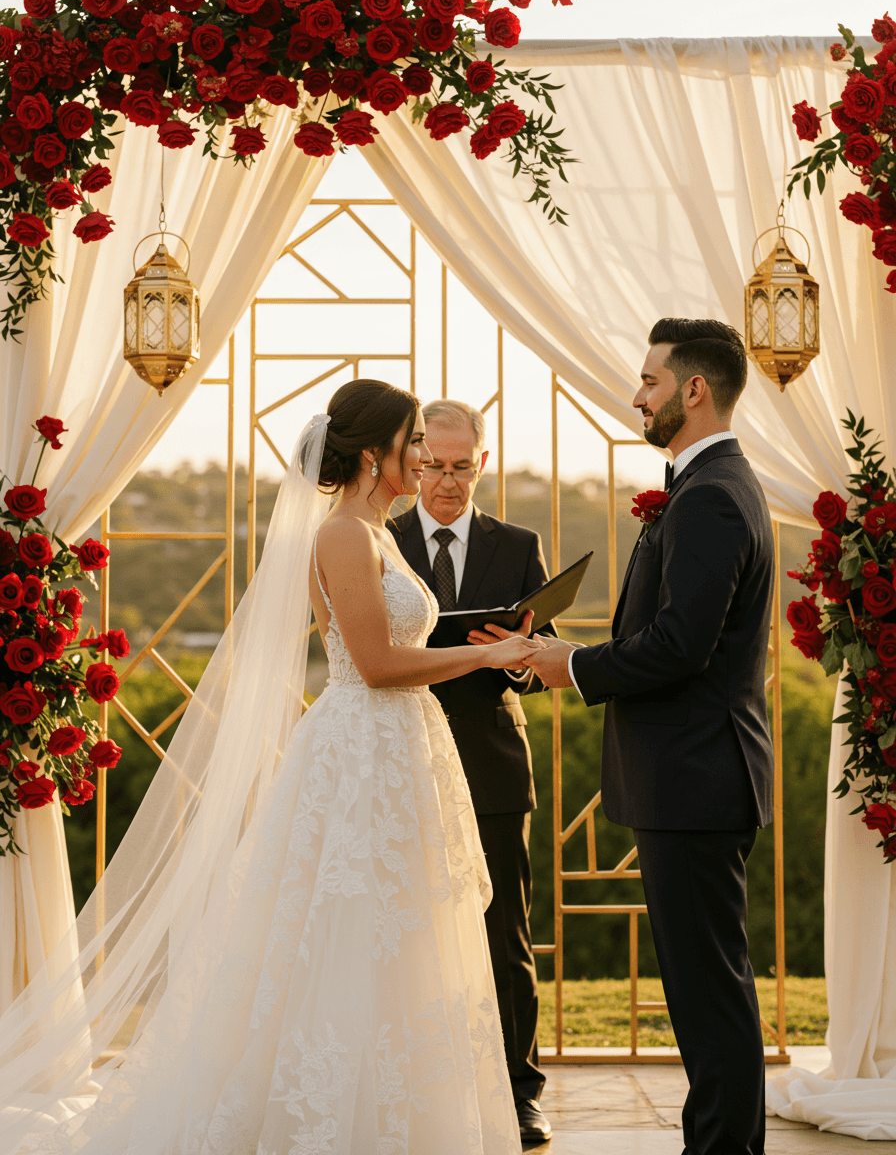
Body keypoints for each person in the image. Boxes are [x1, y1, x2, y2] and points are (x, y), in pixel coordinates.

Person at [0, 380, 539, 1155]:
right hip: (361, 754)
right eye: (415, 440)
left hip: (399, 748)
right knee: (345, 928)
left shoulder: (378, 532)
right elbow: (376, 663)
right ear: (373, 452)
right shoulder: (343, 535)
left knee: (400, 934)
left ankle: (394, 1113)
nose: (425, 457)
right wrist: (487, 654)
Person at [498, 319, 775, 1155]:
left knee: (708, 994)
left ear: (694, 389)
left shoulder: (712, 495)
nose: (637, 395)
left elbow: (682, 646)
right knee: (705, 990)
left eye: (650, 381)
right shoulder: (709, 485)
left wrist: (573, 665)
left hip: (696, 778)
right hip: (695, 776)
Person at [389, 400, 555, 1145]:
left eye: (462, 467)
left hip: (491, 765)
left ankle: (519, 1093)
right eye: (433, 466)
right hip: (399, 760)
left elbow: (543, 661)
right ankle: (411, 1085)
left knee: (503, 934)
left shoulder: (518, 546)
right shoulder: (380, 540)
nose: (447, 482)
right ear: (414, 462)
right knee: (401, 931)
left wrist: (518, 658)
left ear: (482, 463)